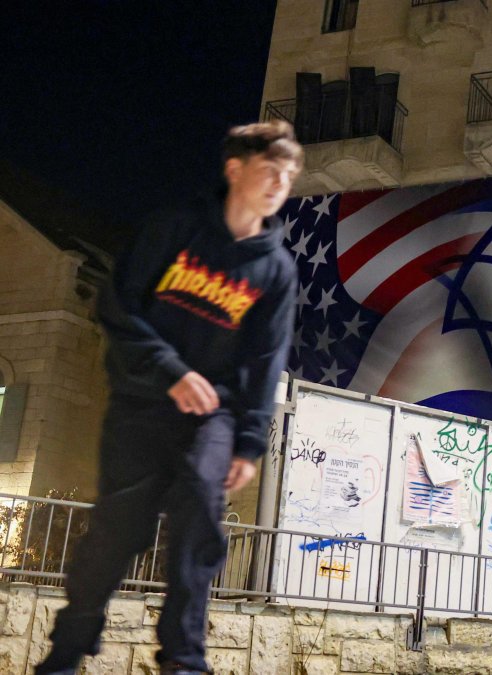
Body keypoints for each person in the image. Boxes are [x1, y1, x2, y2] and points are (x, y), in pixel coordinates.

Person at [36, 121, 303, 675]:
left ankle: (183, 660)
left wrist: (250, 443)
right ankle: (68, 649)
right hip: (141, 406)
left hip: (213, 417)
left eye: (291, 172)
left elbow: (265, 360)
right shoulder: (174, 230)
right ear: (235, 170)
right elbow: (117, 306)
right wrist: (170, 372)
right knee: (118, 531)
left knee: (200, 517)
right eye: (271, 169)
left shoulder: (275, 270)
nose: (282, 180)